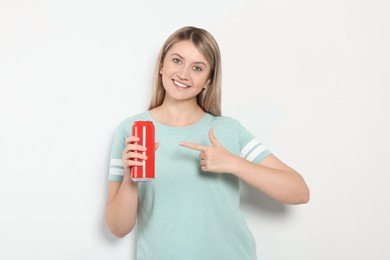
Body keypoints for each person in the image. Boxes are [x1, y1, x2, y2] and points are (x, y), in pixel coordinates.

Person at [105, 26, 310, 260]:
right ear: (162, 65)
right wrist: (131, 179)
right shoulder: (131, 131)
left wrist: (233, 164)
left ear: (208, 80)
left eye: (197, 68)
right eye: (177, 60)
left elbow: (299, 192)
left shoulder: (228, 130)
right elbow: (117, 228)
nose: (183, 74)